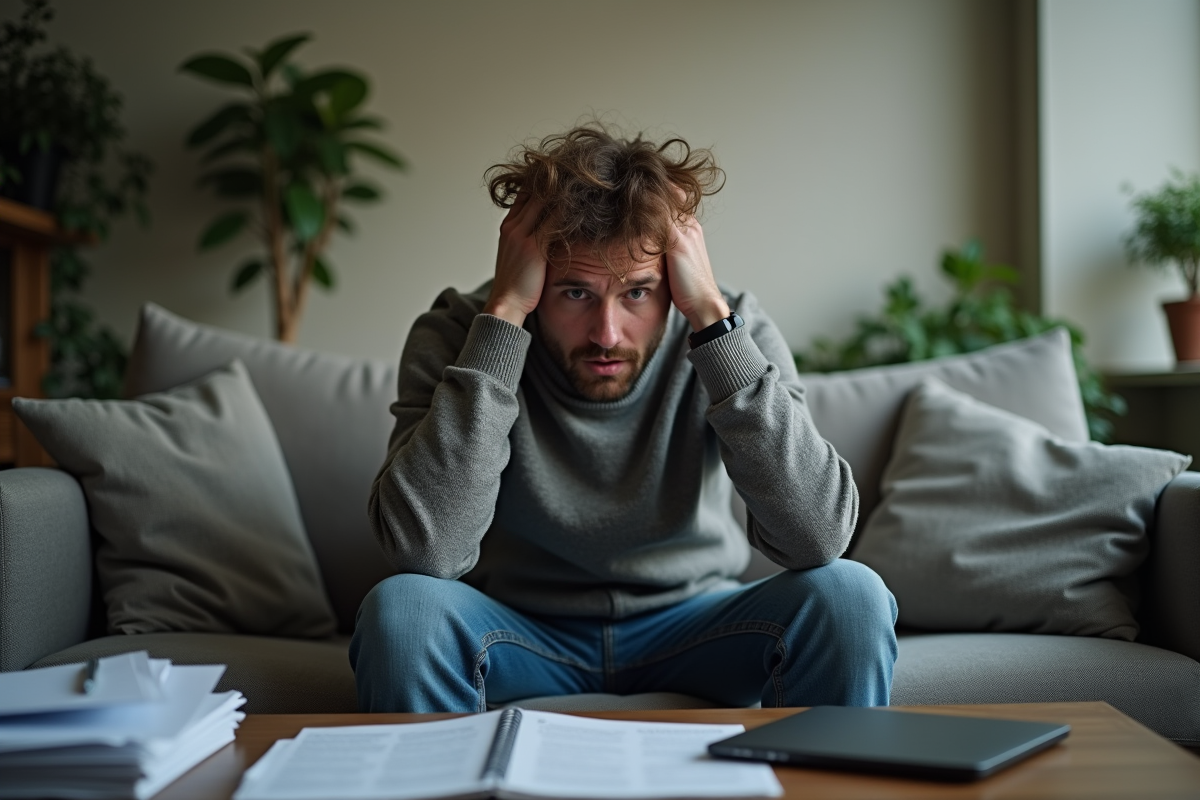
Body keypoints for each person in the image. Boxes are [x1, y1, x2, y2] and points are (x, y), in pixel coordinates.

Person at [350, 123, 897, 713]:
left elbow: (818, 538)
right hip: (516, 631)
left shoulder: (730, 331)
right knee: (401, 609)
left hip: (698, 625)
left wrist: (711, 319)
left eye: (637, 292)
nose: (607, 335)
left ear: (671, 279)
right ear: (530, 276)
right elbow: (425, 552)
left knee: (850, 594)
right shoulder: (460, 333)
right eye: (575, 293)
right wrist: (505, 317)